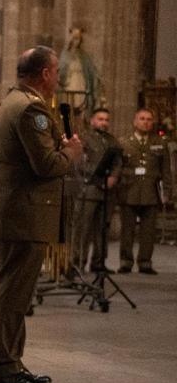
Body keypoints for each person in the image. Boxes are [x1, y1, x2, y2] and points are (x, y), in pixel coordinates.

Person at [0, 46, 82, 383]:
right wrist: (70, 152)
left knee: (16, 291)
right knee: (13, 293)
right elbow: (46, 165)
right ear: (44, 73)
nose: (57, 79)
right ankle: (3, 366)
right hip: (23, 214)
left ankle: (11, 362)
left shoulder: (13, 101)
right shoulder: (31, 109)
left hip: (17, 212)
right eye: (56, 72)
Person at [118, 107, 171, 274]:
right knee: (127, 229)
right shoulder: (124, 142)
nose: (145, 122)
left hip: (150, 191)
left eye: (149, 119)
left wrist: (167, 191)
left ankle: (145, 261)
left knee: (148, 230)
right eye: (142, 119)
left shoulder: (159, 143)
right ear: (135, 121)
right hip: (129, 190)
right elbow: (118, 168)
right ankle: (126, 261)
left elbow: (166, 170)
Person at [69, 107, 121, 274]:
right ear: (92, 120)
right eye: (100, 119)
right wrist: (100, 178)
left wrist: (113, 177)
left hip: (107, 192)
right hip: (88, 190)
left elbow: (118, 162)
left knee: (102, 230)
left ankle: (98, 262)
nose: (104, 122)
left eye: (106, 119)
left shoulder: (112, 141)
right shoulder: (84, 138)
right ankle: (77, 262)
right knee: (83, 229)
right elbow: (79, 161)